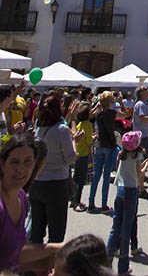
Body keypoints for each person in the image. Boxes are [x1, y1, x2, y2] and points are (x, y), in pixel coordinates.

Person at [0, 131, 61, 271]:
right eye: (14, 162)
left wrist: (49, 254)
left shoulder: (21, 198)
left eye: (27, 162)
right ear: (3, 164)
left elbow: (14, 255)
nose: (20, 169)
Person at [30, 93, 80, 243]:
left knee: (37, 230)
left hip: (38, 182)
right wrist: (74, 141)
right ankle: (51, 264)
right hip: (56, 183)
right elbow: (71, 157)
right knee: (56, 233)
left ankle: (36, 264)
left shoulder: (39, 129)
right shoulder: (61, 130)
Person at [107, 130, 148, 275]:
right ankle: (123, 267)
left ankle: (106, 262)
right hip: (131, 192)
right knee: (126, 229)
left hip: (120, 190)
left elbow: (125, 170)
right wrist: (146, 166)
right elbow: (139, 174)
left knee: (116, 227)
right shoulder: (137, 155)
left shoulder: (122, 155)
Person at [89, 90, 118, 212]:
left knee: (96, 176)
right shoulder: (111, 113)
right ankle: (104, 204)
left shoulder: (98, 113)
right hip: (108, 145)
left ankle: (91, 202)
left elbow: (89, 116)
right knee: (106, 176)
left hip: (99, 145)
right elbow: (125, 114)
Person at [71, 102, 94, 211]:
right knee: (81, 180)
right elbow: (89, 141)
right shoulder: (88, 125)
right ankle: (77, 202)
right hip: (84, 154)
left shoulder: (79, 124)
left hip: (77, 154)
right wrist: (94, 138)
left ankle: (73, 199)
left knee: (76, 178)